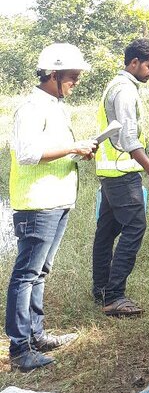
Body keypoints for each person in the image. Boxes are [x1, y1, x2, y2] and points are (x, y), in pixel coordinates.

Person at [4, 44, 96, 371]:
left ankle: (37, 334)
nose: (76, 82)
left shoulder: (56, 106)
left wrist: (77, 151)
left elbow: (52, 149)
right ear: (53, 75)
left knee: (41, 271)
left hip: (56, 199)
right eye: (72, 77)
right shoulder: (30, 108)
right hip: (37, 203)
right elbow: (28, 153)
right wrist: (73, 146)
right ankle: (19, 349)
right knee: (26, 275)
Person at [92, 38, 149, 317]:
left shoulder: (116, 85)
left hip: (111, 172)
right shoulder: (125, 90)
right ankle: (114, 296)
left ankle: (101, 289)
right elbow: (127, 137)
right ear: (133, 62)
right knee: (135, 227)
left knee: (106, 231)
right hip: (123, 173)